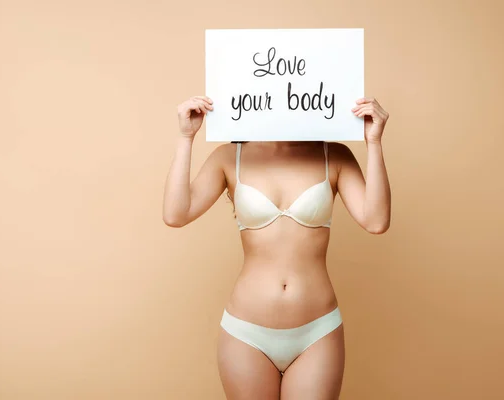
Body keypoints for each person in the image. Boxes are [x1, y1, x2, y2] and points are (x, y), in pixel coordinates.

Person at [162, 95, 391, 400]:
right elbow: (176, 214)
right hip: (246, 332)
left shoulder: (333, 155)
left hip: (316, 332)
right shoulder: (231, 157)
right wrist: (186, 136)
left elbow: (376, 221)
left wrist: (373, 143)